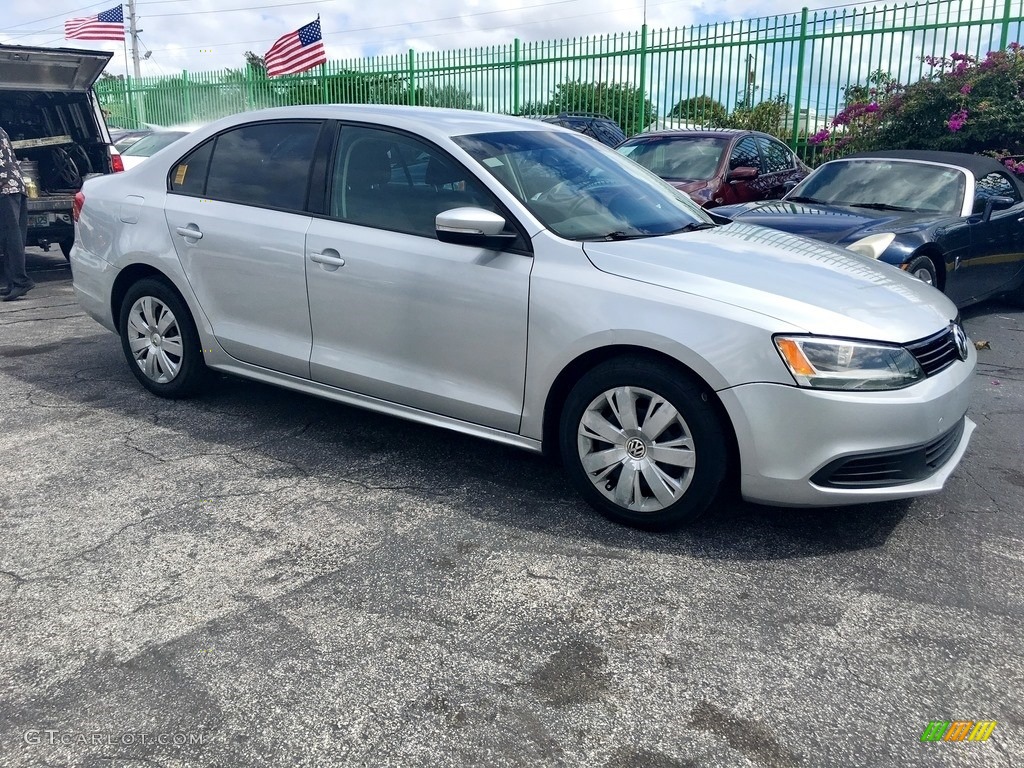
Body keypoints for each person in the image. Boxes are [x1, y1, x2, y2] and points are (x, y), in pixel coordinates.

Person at [0, 125, 34, 302]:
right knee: (12, 236)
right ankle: (13, 283)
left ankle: (21, 281)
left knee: (10, 236)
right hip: (15, 185)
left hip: (5, 188)